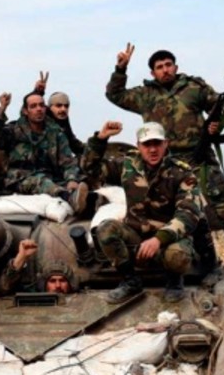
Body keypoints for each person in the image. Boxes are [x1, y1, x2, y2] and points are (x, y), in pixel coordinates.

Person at [105, 44, 224, 271]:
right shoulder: (145, 95)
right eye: (159, 67)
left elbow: (223, 108)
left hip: (200, 157)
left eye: (168, 65)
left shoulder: (194, 88)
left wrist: (216, 126)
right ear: (152, 73)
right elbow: (114, 94)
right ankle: (191, 260)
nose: (165, 70)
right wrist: (121, 69)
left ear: (175, 67)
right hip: (165, 163)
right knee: (173, 211)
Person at [85, 122, 203, 304]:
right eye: (147, 145)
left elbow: (188, 214)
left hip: (169, 238)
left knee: (177, 256)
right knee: (105, 229)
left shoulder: (182, 173)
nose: (153, 150)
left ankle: (174, 280)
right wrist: (100, 139)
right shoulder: (127, 165)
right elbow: (90, 169)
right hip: (135, 234)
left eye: (157, 143)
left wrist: (159, 239)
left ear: (166, 144)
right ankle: (130, 280)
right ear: (139, 146)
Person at [0, 91, 88, 213]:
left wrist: (72, 179)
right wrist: (2, 109)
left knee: (82, 182)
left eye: (41, 105)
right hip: (20, 178)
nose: (39, 109)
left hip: (51, 178)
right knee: (41, 181)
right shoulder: (14, 130)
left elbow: (67, 161)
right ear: (26, 111)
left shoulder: (55, 132)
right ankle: (68, 197)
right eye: (33, 106)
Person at [0, 239, 75, 295]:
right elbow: (5, 288)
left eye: (62, 281)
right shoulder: (32, 296)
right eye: (52, 281)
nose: (58, 286)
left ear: (69, 284)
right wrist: (21, 256)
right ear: (44, 284)